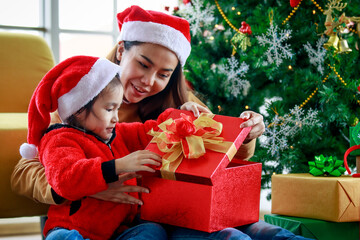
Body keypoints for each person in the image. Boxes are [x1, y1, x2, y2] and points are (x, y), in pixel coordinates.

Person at [12, 5, 311, 240]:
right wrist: (92, 184)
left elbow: (220, 151)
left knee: (255, 231)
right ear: (121, 51)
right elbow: (24, 171)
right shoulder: (79, 99)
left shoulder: (180, 104)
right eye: (143, 64)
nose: (148, 81)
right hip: (118, 223)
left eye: (164, 74)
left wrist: (247, 134)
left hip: (174, 215)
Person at [19, 55, 205, 239]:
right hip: (71, 228)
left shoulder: (118, 132)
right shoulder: (59, 139)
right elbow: (66, 179)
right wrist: (118, 166)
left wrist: (180, 116)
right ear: (79, 110)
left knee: (152, 231)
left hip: (116, 231)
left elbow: (152, 131)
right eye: (109, 109)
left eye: (117, 109)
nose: (116, 117)